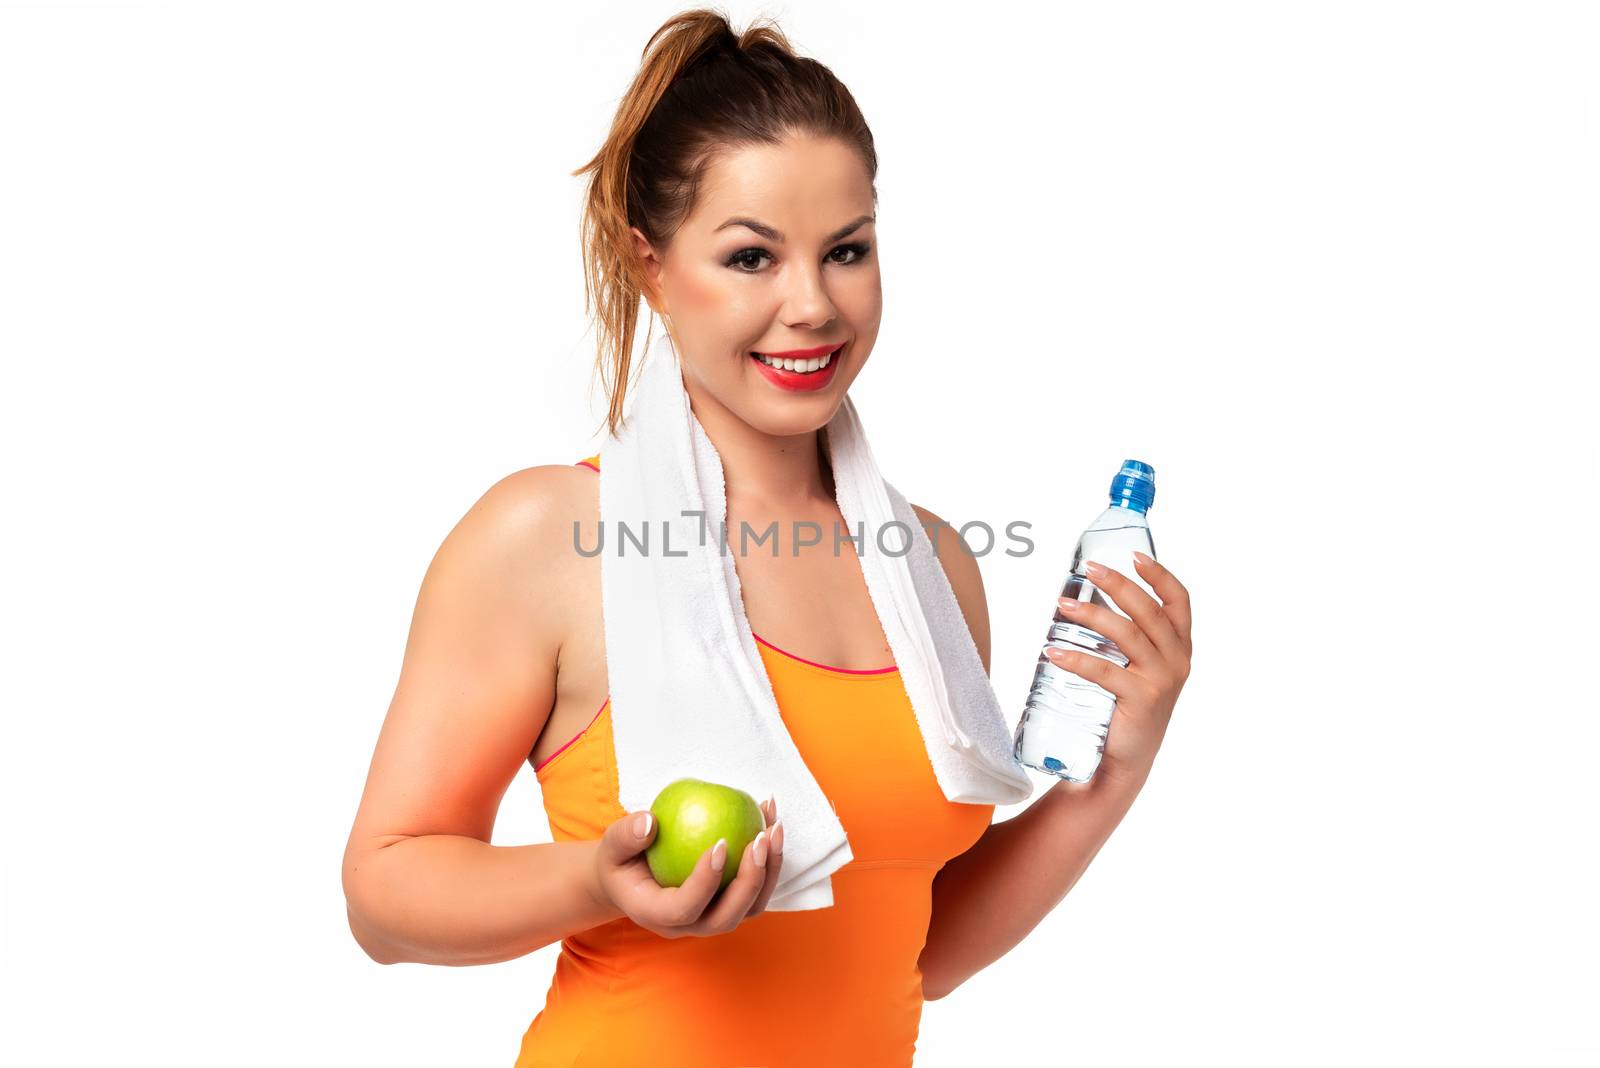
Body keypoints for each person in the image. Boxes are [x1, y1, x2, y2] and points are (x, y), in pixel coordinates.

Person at [340, 10, 1194, 1067]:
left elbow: (914, 953)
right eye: (751, 257)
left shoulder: (931, 568)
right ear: (649, 266)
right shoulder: (550, 537)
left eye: (847, 250)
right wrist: (593, 883)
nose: (811, 305)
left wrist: (1115, 771)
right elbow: (385, 894)